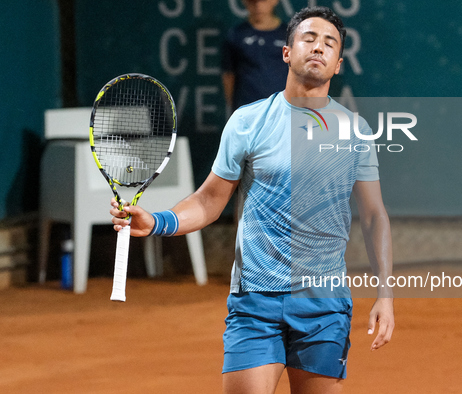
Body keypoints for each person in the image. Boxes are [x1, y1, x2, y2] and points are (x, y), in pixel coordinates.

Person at [110, 6, 394, 394]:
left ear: (338, 64)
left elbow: (374, 216)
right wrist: (158, 221)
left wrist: (386, 295)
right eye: (308, 38)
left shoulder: (355, 131)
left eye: (330, 43)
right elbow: (210, 200)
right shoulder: (247, 121)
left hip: (324, 304)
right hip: (255, 302)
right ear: (287, 52)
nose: (318, 47)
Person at [222, 0, 289, 112]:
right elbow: (228, 75)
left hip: (282, 110)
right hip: (248, 111)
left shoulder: (290, 35)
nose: (258, 6)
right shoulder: (235, 35)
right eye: (253, 1)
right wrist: (235, 111)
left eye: (263, 1)